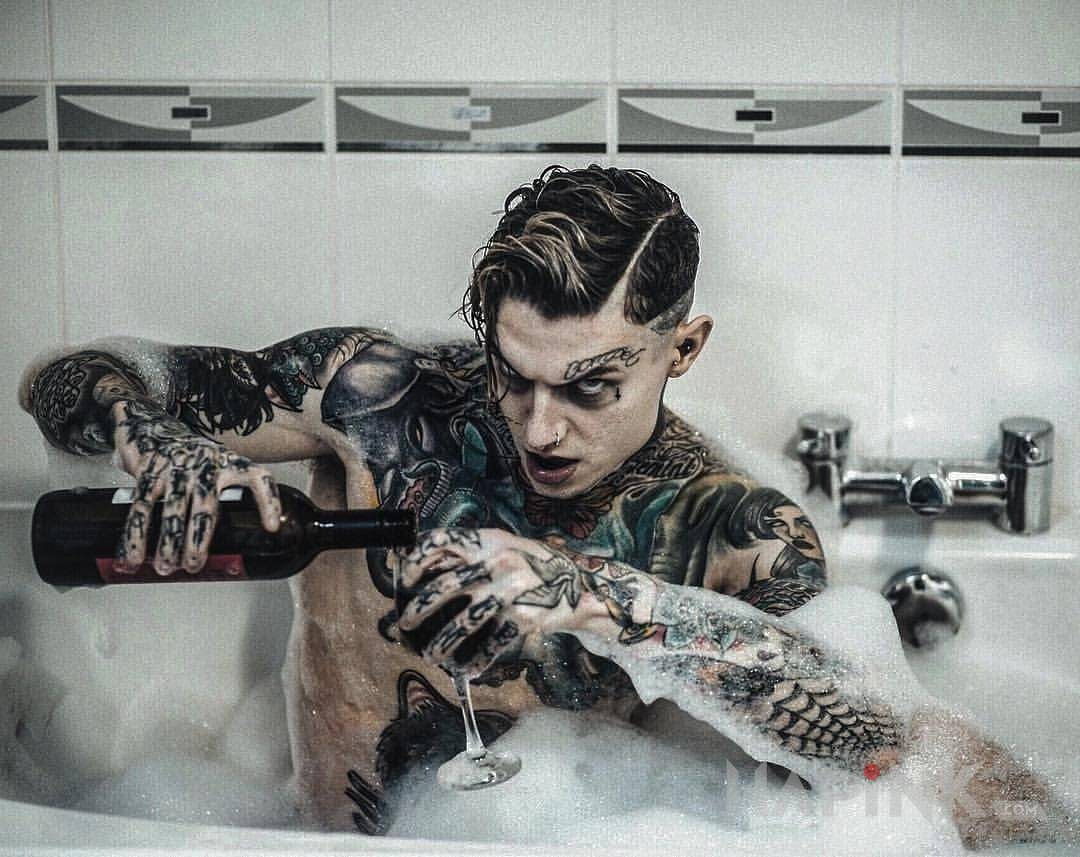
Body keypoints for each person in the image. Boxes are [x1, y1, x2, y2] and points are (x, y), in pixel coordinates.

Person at [19, 165, 1064, 848]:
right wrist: (144, 427)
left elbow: (869, 741)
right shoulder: (375, 399)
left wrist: (595, 596)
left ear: (683, 348)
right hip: (298, 837)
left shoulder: (729, 530)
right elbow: (66, 381)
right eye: (513, 375)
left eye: (589, 387)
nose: (540, 426)